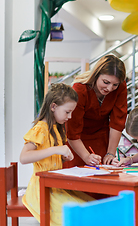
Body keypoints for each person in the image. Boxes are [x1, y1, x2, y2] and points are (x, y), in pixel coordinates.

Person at [20, 83, 94, 225]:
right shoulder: (41, 129)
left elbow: (47, 159)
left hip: (54, 186)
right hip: (42, 190)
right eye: (67, 112)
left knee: (92, 205)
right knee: (81, 213)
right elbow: (24, 157)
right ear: (53, 107)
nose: (70, 116)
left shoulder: (56, 128)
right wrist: (56, 149)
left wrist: (62, 159)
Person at [63, 54, 127, 168]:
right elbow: (72, 131)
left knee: (102, 174)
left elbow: (118, 122)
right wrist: (86, 156)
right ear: (96, 75)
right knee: (77, 176)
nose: (109, 88)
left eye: (115, 85)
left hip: (101, 138)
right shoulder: (80, 90)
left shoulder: (121, 87)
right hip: (77, 141)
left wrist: (110, 153)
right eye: (106, 82)